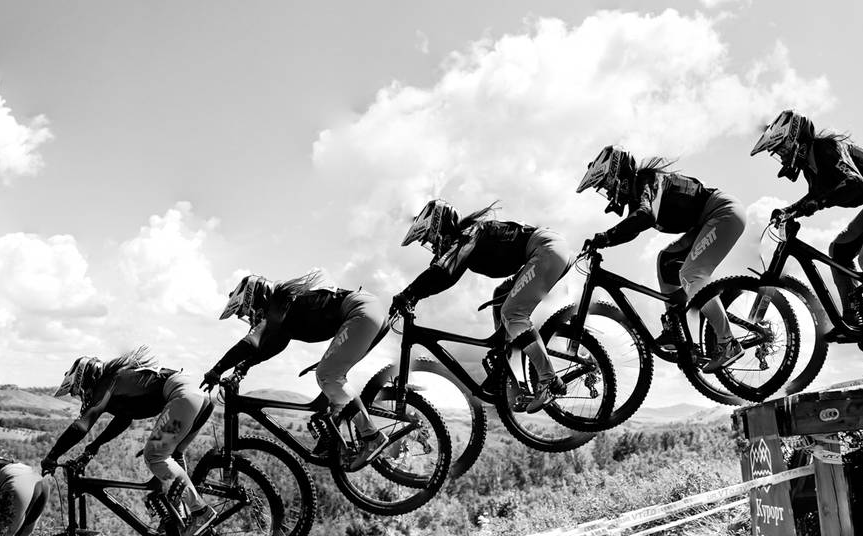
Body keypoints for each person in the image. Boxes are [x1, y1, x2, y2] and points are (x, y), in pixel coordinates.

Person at [750, 110, 863, 339]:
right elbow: (814, 197)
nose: (783, 157)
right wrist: (789, 210)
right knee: (839, 251)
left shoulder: (826, 148)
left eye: (783, 150)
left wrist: (818, 202)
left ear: (797, 141)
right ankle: (853, 318)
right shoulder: (811, 168)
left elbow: (855, 182)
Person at [575, 145, 747, 372]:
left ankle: (729, 343)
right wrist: (605, 240)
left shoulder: (646, 181)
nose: (607, 193)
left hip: (723, 212)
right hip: (706, 221)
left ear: (618, 176)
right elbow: (634, 229)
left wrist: (607, 236)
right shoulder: (638, 194)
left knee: (691, 273)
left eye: (606, 185)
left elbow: (645, 216)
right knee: (666, 261)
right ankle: (675, 330)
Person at [393, 199, 570, 412]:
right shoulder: (468, 238)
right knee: (501, 296)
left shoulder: (469, 234)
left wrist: (409, 293)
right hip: (547, 249)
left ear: (441, 227)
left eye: (430, 239)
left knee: (513, 313)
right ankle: (507, 370)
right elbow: (443, 271)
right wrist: (414, 294)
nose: (432, 247)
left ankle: (549, 380)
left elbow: (445, 272)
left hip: (546, 249)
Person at [203, 270, 389, 469]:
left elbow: (251, 343)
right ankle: (336, 445)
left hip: (360, 312)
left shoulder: (277, 305)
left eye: (248, 311)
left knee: (327, 375)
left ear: (257, 298)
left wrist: (217, 370)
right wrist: (243, 368)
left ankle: (372, 437)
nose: (251, 317)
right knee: (332, 389)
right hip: (367, 311)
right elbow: (271, 346)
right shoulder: (284, 310)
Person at [45, 347, 216, 536]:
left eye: (80, 391)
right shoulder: (122, 381)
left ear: (86, 380)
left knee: (154, 456)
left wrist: (52, 456)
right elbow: (123, 420)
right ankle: (180, 514)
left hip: (184, 395)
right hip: (200, 396)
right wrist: (93, 447)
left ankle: (200, 512)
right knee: (172, 457)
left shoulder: (109, 379)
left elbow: (82, 425)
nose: (82, 396)